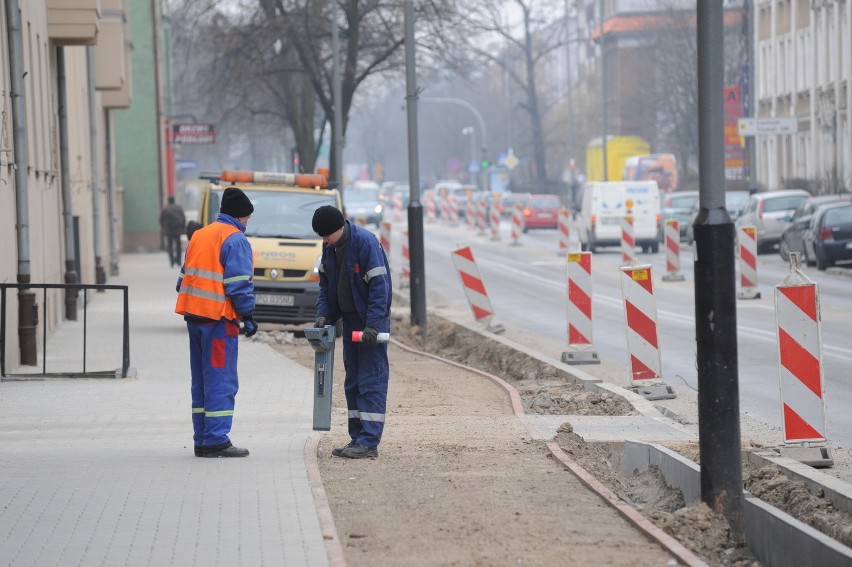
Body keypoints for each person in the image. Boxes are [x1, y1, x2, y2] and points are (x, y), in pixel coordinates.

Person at [175, 187, 259, 458]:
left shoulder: (199, 235)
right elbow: (237, 285)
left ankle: (202, 439)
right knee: (221, 380)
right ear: (241, 215)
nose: (247, 223)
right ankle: (216, 440)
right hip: (219, 321)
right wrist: (248, 315)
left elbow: (182, 280)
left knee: (200, 380)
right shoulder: (235, 240)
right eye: (247, 218)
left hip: (194, 317)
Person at [312, 205, 392, 459]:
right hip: (350, 322)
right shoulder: (330, 248)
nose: (324, 241)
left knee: (371, 380)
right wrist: (324, 315)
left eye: (326, 235)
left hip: (369, 324)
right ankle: (357, 437)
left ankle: (369, 442)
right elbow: (326, 287)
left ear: (339, 228)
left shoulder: (365, 244)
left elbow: (380, 288)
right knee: (353, 382)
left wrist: (373, 325)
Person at [160, 196, 187, 267]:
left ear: (168, 201)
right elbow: (184, 218)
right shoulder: (179, 208)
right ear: (174, 200)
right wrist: (183, 228)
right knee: (178, 246)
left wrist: (164, 228)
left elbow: (161, 220)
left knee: (170, 246)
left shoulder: (165, 209)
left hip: (169, 231)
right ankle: (178, 261)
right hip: (178, 230)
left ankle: (172, 262)